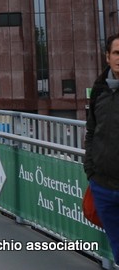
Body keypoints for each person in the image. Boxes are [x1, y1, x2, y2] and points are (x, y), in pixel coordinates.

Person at [85, 32, 119, 262]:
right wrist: (90, 170)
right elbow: (91, 132)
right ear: (107, 56)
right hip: (103, 187)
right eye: (116, 53)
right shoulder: (99, 90)